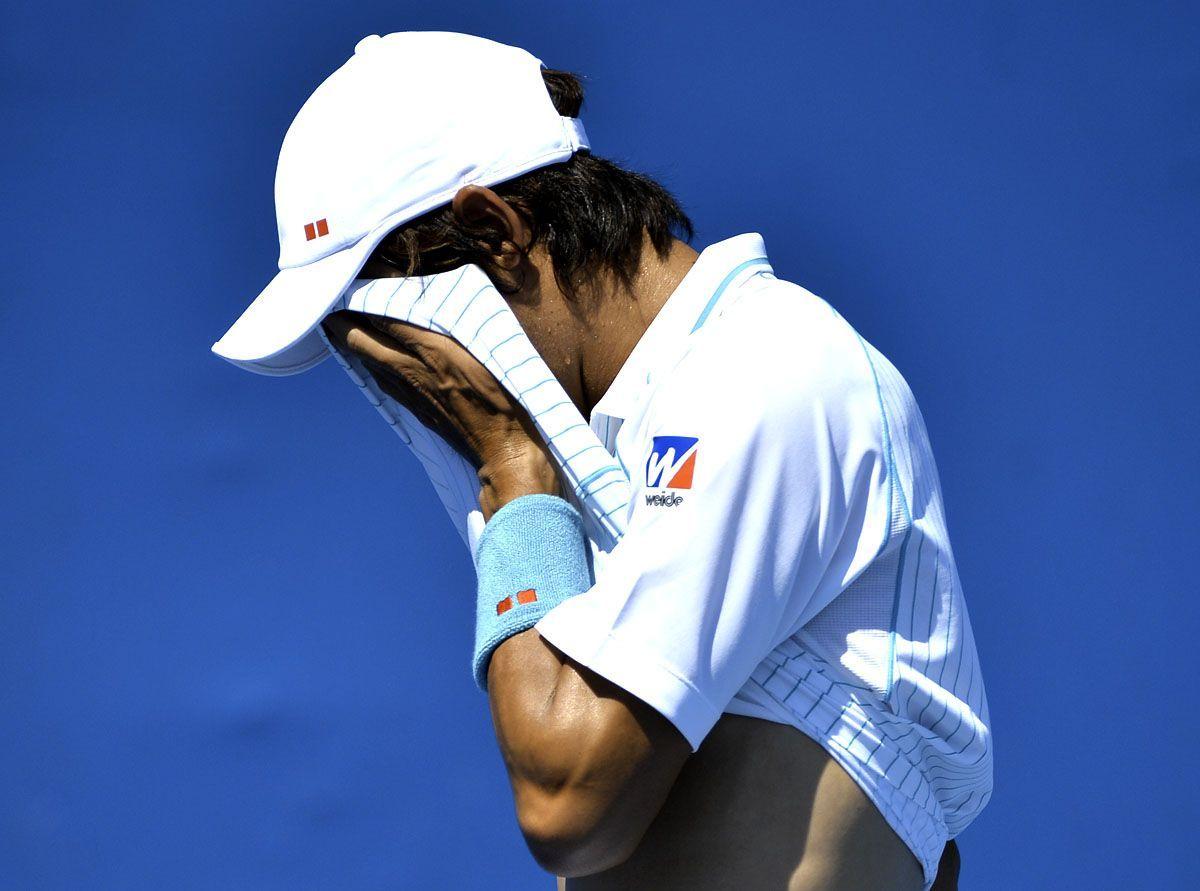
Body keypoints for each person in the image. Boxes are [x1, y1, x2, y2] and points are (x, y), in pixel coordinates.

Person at [213, 32, 992, 890]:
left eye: (393, 333)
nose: (415, 389)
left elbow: (567, 800)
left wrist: (511, 473)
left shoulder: (768, 359)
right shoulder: (608, 451)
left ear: (496, 231)